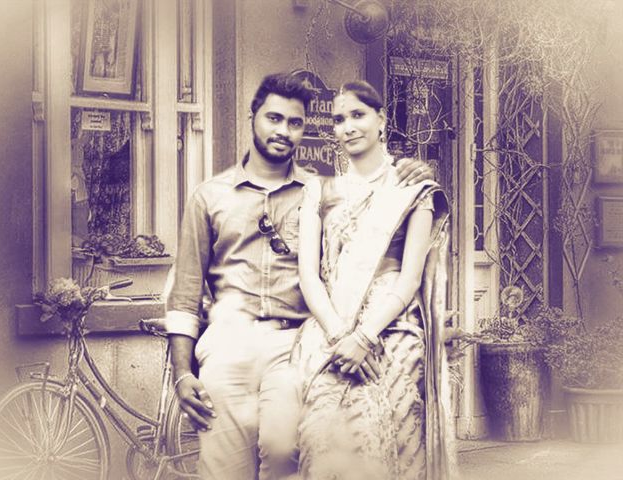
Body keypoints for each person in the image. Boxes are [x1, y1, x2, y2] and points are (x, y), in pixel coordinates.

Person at [165, 72, 435, 480]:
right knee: (224, 470)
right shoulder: (209, 196)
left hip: (291, 347)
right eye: (273, 118)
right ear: (253, 116)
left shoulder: (321, 192)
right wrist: (182, 373)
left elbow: (374, 231)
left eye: (295, 123)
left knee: (286, 454)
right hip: (226, 344)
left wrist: (414, 169)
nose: (283, 131)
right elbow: (185, 296)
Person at [295, 80, 454, 480]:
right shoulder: (319, 190)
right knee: (321, 432)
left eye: (358, 115)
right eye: (339, 119)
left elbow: (409, 279)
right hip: (331, 327)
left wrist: (364, 338)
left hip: (393, 327)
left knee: (393, 430)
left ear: (381, 120)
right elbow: (308, 276)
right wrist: (340, 337)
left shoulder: (413, 190)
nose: (348, 127)